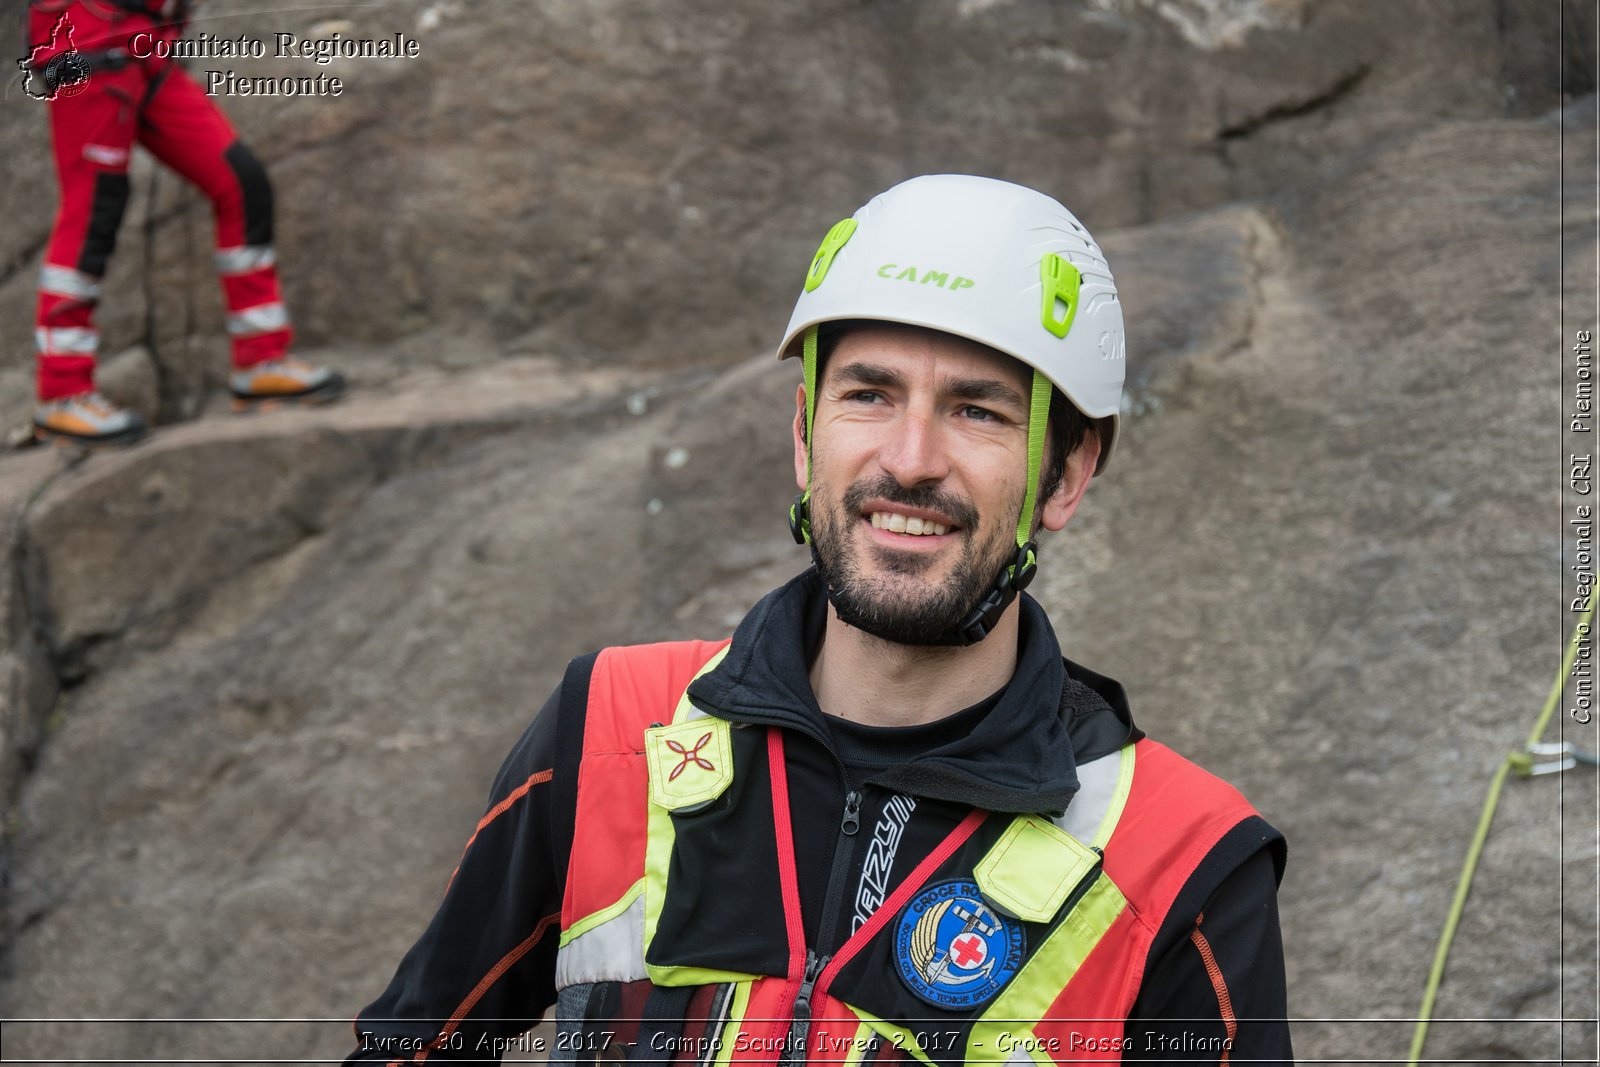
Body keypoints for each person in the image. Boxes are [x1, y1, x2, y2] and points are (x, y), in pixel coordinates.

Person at [345, 175, 1292, 1065]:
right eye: (870, 394)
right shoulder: (608, 731)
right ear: (806, 435)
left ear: (1068, 472)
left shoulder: (1183, 864)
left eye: (978, 411)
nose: (912, 459)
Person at [23, 0, 344, 446]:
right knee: (94, 209)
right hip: (86, 46)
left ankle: (261, 362)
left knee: (242, 185)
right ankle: (62, 394)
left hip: (145, 50)